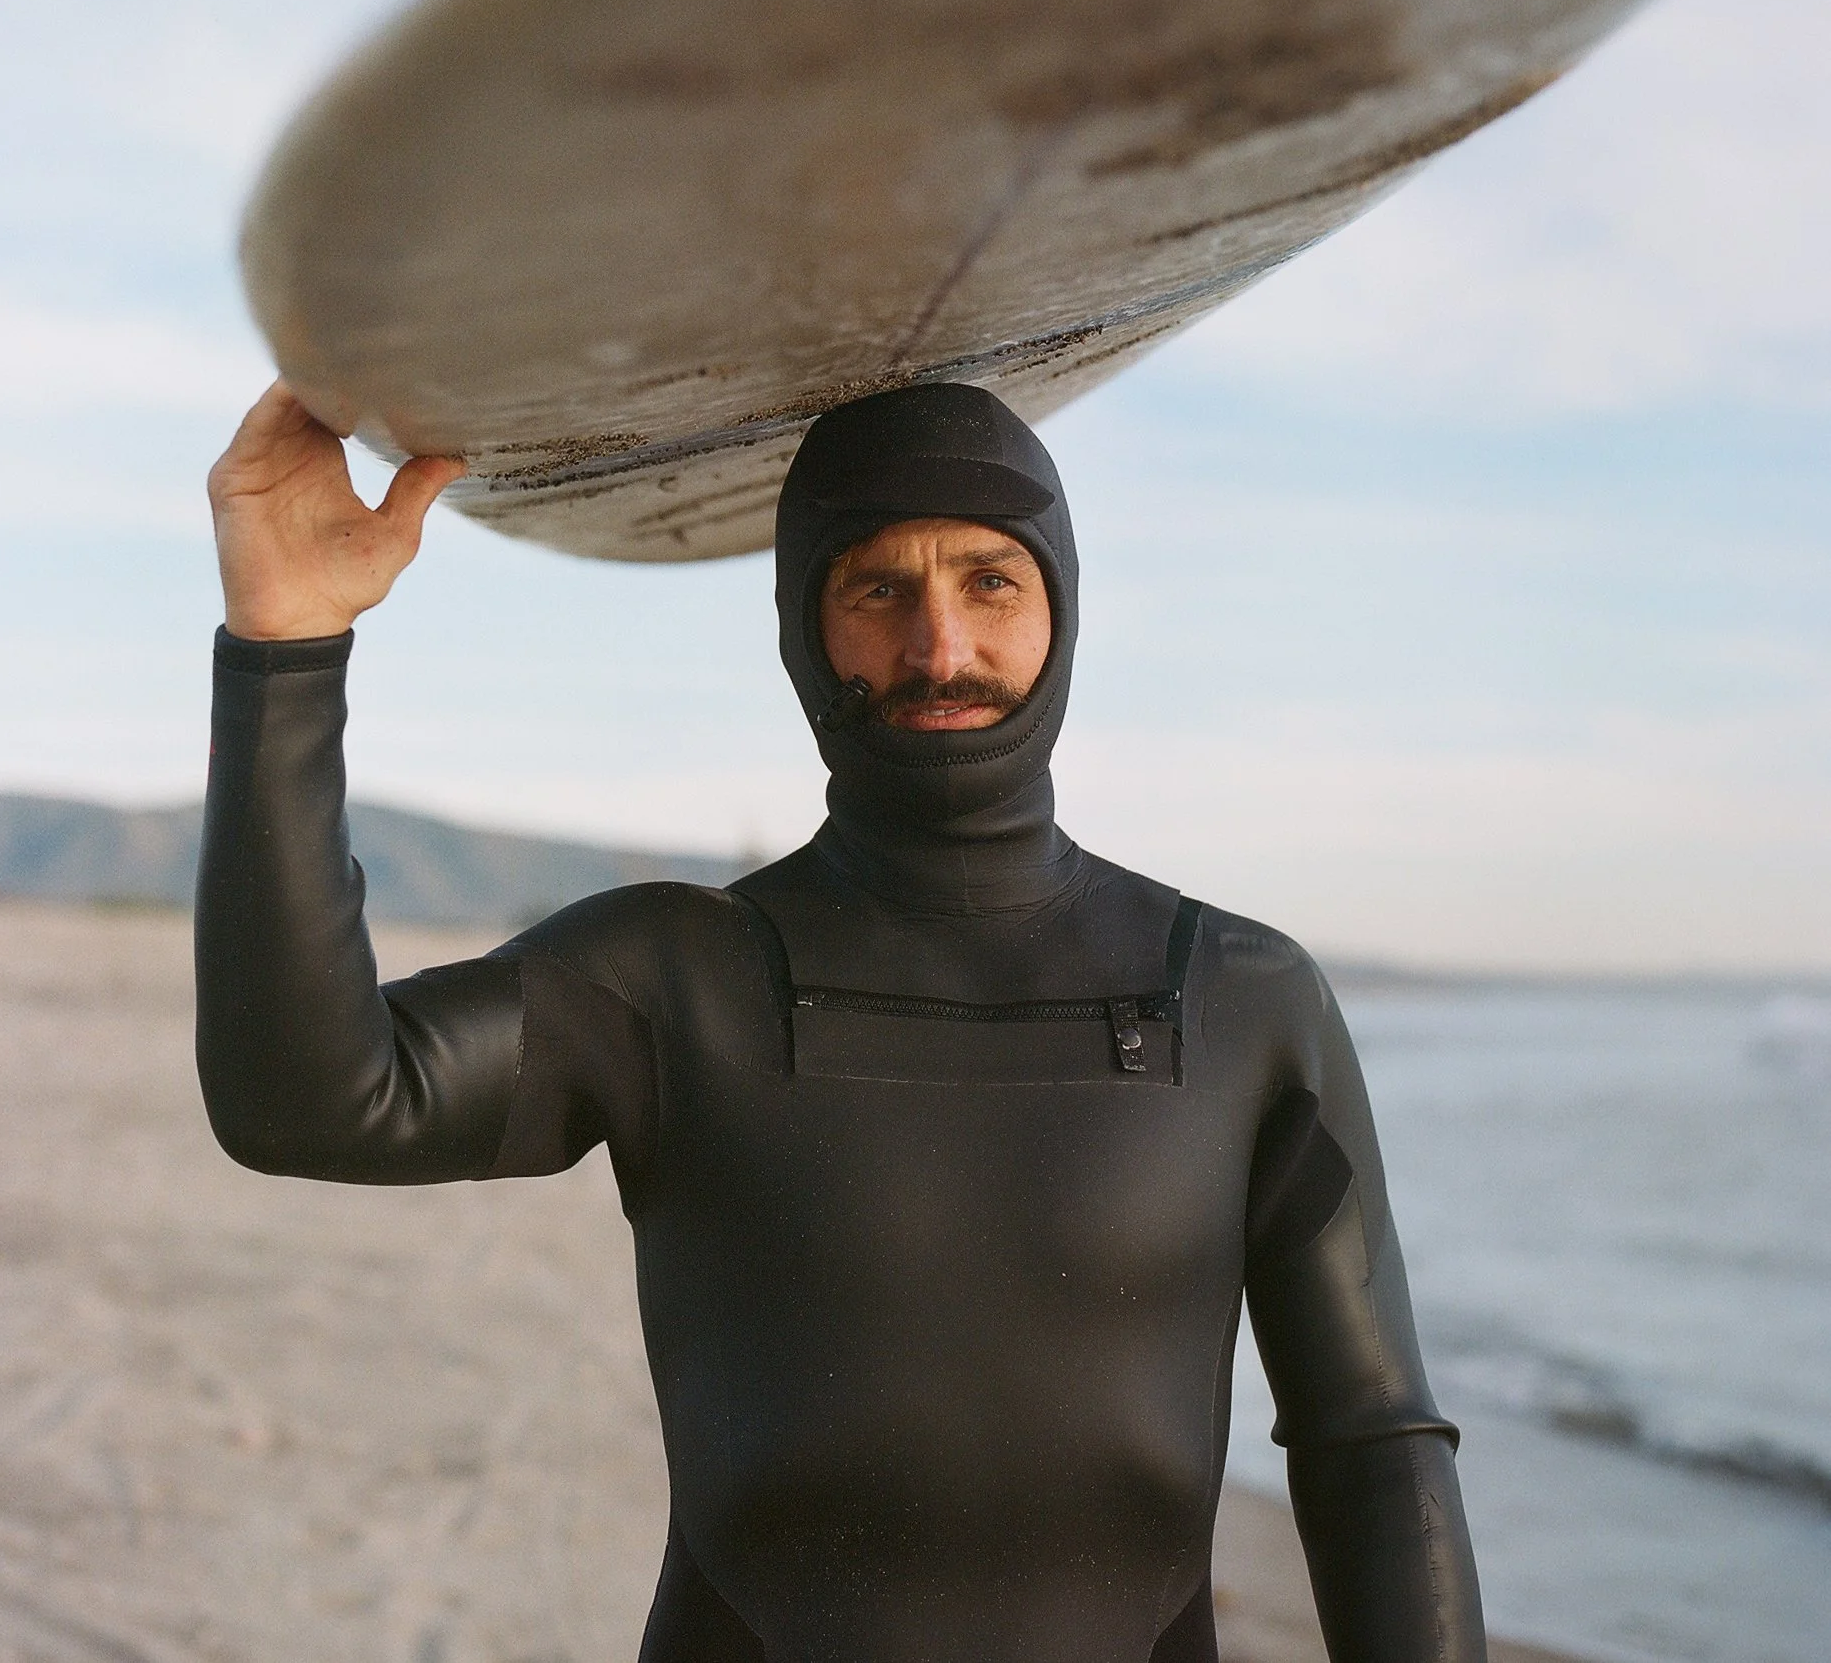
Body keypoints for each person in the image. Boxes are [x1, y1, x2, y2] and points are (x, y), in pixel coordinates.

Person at [198, 378, 1486, 1663]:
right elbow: (308, 1097)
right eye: (876, 588)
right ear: (803, 626)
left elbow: (1372, 1447)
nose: (939, 649)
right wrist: (285, 646)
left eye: (989, 581)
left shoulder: (1241, 994)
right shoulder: (674, 979)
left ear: (1063, 607)